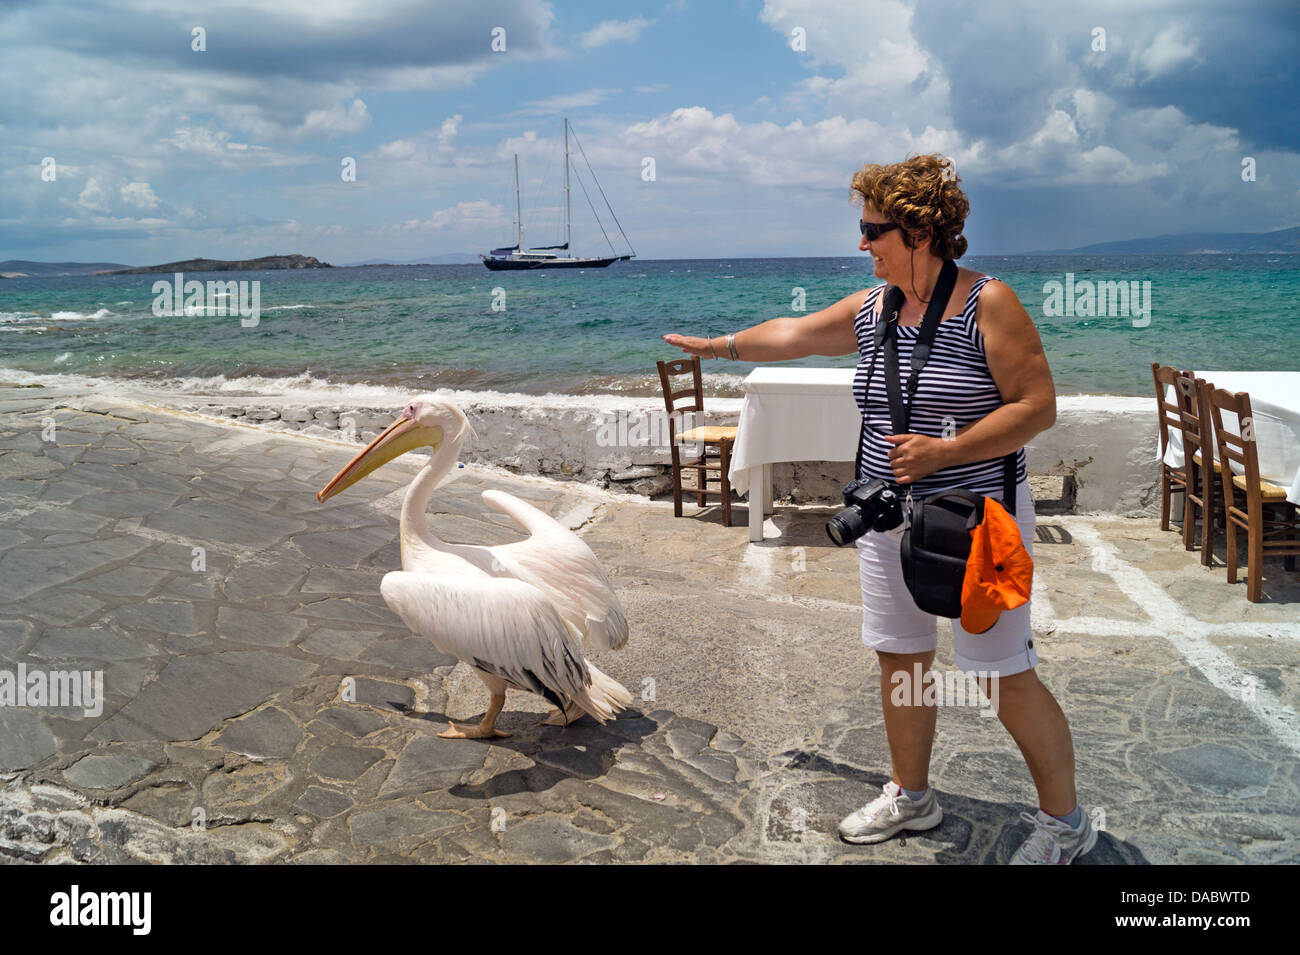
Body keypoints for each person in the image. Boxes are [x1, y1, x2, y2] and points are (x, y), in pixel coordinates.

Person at [662, 153, 1095, 865]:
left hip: (978, 524)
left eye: (873, 229)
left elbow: (1036, 407)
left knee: (1000, 672)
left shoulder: (989, 302)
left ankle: (1066, 822)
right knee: (901, 658)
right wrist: (720, 345)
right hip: (891, 516)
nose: (861, 243)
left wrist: (941, 453)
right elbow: (796, 334)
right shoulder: (875, 310)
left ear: (919, 231)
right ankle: (912, 797)